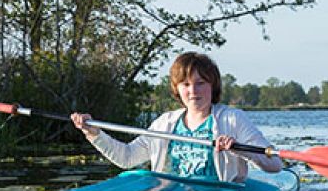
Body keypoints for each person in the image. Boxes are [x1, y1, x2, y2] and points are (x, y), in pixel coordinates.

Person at [70, 51, 282, 182]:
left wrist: (239, 149)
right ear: (177, 89)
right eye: (186, 84)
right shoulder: (165, 123)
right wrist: (93, 134)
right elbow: (127, 158)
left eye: (201, 83)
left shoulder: (232, 119)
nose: (193, 91)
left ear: (213, 85)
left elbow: (275, 166)